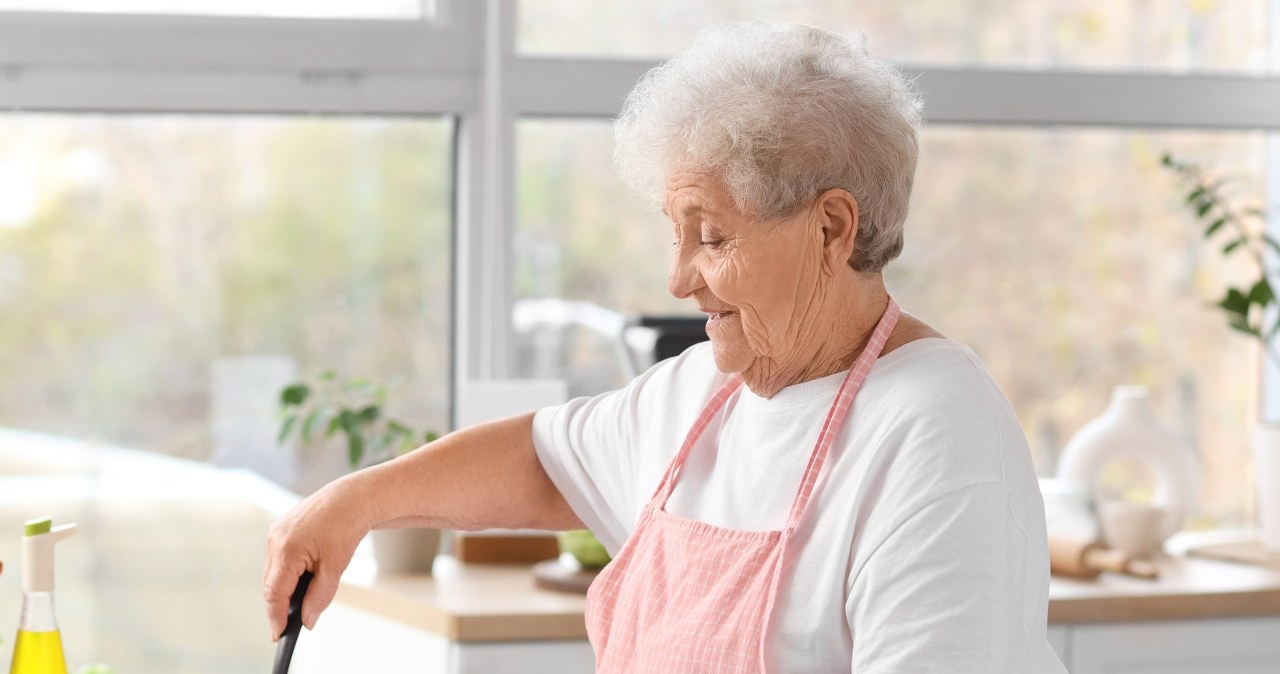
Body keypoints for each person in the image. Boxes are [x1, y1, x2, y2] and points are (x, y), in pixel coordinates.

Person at [264, 22, 1068, 673]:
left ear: (831, 228)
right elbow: (545, 463)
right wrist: (352, 504)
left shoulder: (937, 432)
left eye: (713, 237)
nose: (680, 277)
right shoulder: (701, 396)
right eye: (675, 233)